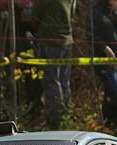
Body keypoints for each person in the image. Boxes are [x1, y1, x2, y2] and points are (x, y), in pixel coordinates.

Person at [33, 0, 76, 129]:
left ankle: (55, 118)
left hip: (49, 39)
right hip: (66, 40)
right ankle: (66, 114)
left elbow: (36, 15)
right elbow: (72, 14)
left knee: (52, 80)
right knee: (64, 80)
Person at [88, 0, 117, 128]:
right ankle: (114, 125)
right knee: (116, 93)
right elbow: (90, 34)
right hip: (103, 60)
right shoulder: (96, 11)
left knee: (110, 94)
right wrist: (104, 48)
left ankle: (106, 124)